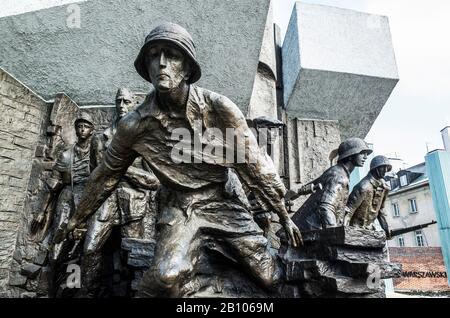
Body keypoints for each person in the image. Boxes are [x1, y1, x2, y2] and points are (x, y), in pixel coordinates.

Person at [55, 22, 301, 297]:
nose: (161, 63)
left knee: (271, 278)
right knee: (164, 278)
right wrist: (75, 220)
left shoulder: (219, 109)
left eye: (171, 55)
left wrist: (283, 216)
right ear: (145, 67)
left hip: (224, 201)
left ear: (186, 67)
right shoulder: (134, 126)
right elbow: (104, 176)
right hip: (180, 206)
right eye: (154, 55)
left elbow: (254, 165)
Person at [81, 88, 159, 297]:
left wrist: (118, 168)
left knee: (133, 259)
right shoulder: (100, 140)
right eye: (119, 101)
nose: (122, 105)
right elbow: (95, 177)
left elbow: (153, 182)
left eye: (127, 101)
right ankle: (89, 293)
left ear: (134, 104)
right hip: (105, 202)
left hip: (133, 205)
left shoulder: (145, 141)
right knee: (89, 249)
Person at [31, 112, 95, 297]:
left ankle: (70, 289)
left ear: (92, 130)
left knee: (80, 244)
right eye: (79, 125)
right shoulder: (66, 154)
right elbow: (53, 184)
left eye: (86, 126)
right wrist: (41, 211)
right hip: (67, 197)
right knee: (59, 239)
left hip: (88, 199)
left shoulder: (96, 153)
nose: (82, 129)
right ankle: (52, 282)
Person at [292, 138, 373, 231]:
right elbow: (326, 208)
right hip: (306, 233)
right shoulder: (339, 176)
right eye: (362, 153)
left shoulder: (337, 171)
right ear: (351, 155)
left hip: (304, 230)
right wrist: (334, 235)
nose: (366, 157)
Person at [344, 155, 391, 237]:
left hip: (371, 230)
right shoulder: (363, 187)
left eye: (387, 168)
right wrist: (345, 233)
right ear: (376, 169)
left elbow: (381, 210)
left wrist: (387, 228)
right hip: (355, 231)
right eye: (383, 167)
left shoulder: (385, 187)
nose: (385, 170)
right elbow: (349, 211)